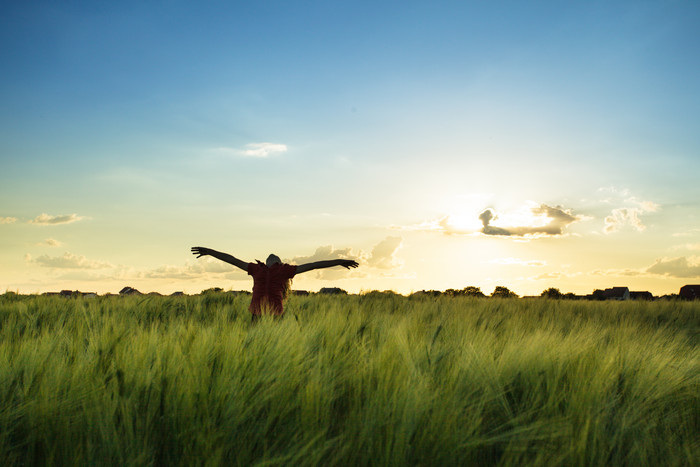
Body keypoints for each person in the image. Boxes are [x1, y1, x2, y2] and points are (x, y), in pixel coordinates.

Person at [190, 246, 358, 321]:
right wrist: (339, 261)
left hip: (257, 313)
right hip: (276, 313)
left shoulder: (258, 269)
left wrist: (209, 252)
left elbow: (232, 260)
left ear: (272, 262)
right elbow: (314, 265)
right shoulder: (285, 271)